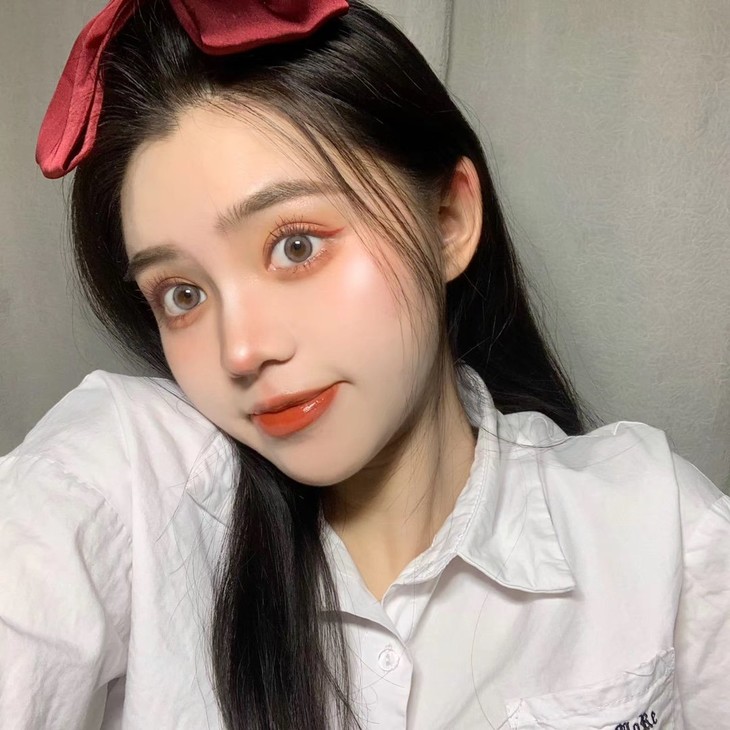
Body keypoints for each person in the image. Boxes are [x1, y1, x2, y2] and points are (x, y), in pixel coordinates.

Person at [1, 0, 728, 727]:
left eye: (296, 246)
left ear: (448, 220)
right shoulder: (129, 483)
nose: (241, 351)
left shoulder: (655, 527)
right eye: (182, 294)